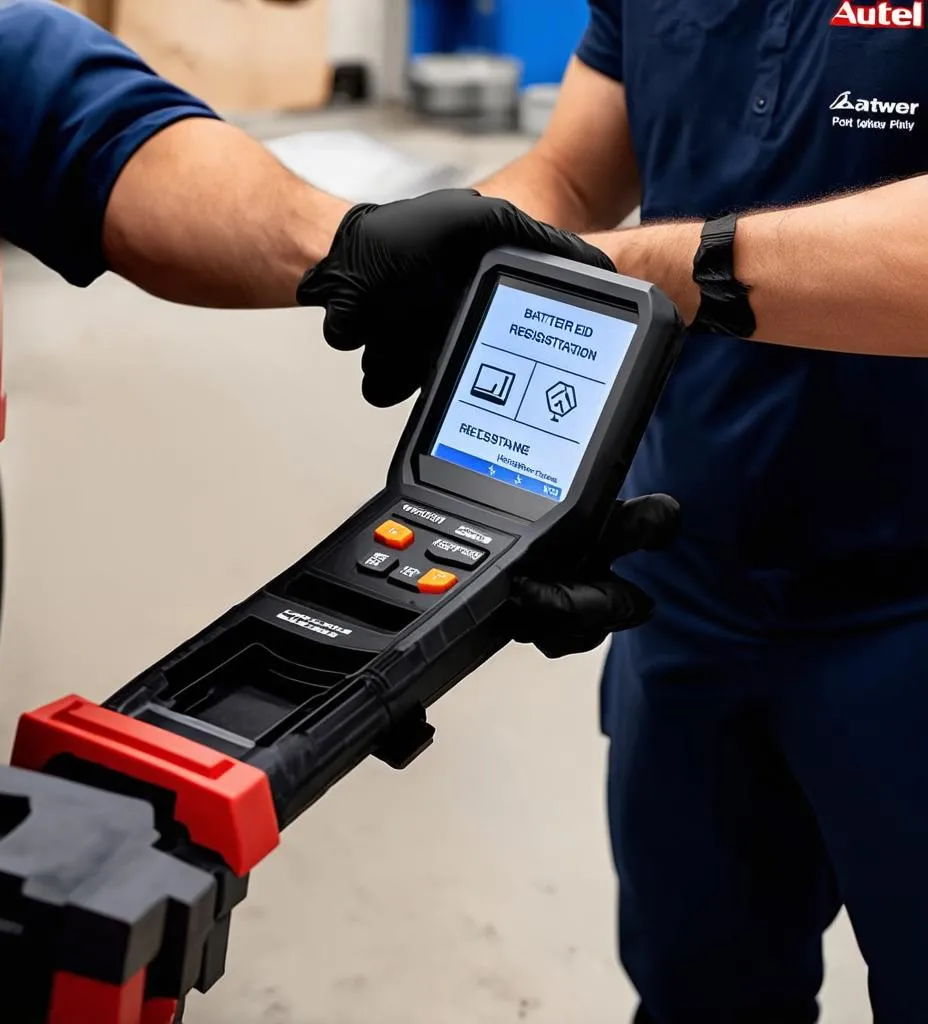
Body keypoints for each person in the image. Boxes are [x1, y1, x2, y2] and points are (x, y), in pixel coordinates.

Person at [365, 4, 928, 1023]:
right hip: (688, 578)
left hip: (908, 609)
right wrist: (464, 244)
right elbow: (573, 180)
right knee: (698, 989)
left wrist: (646, 267)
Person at [0, 6, 679, 709]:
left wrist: (512, 275)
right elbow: (573, 176)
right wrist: (365, 246)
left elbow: (76, 114)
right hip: (686, 539)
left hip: (691, 513)